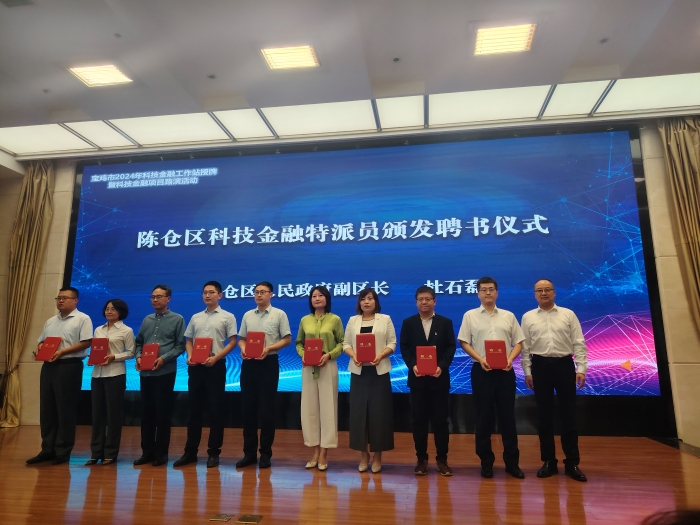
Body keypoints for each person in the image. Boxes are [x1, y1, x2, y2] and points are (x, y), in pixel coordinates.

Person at [521, 278, 588, 482]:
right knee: (544, 417)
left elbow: (579, 342)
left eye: (547, 289)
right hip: (540, 366)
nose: (544, 293)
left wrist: (581, 368)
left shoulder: (568, 314)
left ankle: (572, 462)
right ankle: (548, 461)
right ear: (535, 294)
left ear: (554, 292)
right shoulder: (528, 317)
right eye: (539, 290)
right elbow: (525, 348)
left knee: (568, 415)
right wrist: (527, 371)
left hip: (564, 365)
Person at [457, 276, 525, 479]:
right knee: (483, 417)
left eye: (491, 289)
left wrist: (510, 359)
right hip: (481, 372)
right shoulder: (470, 316)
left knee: (508, 418)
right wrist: (480, 359)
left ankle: (512, 463)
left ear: (497, 292)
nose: (488, 292)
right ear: (478, 293)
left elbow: (519, 342)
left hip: (505, 372)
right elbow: (464, 342)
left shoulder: (508, 316)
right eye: (484, 289)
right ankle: (486, 462)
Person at [174, 281, 238, 469]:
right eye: (205, 292)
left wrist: (216, 358)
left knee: (216, 410)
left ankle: (213, 452)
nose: (207, 295)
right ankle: (190, 452)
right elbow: (189, 341)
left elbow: (232, 342)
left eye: (211, 292)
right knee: (194, 410)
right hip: (196, 367)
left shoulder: (228, 317)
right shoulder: (196, 317)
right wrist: (190, 355)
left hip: (215, 366)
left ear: (220, 295)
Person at [27, 287, 93, 465]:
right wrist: (39, 347)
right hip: (49, 366)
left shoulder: (83, 318)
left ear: (75, 300)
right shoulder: (51, 321)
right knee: (47, 409)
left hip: (69, 366)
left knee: (65, 409)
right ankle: (47, 449)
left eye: (65, 298)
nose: (60, 301)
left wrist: (63, 352)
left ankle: (62, 451)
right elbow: (42, 341)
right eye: (58, 298)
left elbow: (86, 342)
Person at [399, 285, 456, 477]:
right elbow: (404, 347)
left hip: (439, 380)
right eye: (420, 299)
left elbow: (450, 347)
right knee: (419, 421)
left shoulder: (445, 322)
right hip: (418, 380)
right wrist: (412, 365)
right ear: (416, 302)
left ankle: (442, 460)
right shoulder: (408, 323)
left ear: (434, 301)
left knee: (441, 422)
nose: (424, 302)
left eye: (428, 299)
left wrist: (442, 366)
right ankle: (421, 460)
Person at [236, 281, 291, 469]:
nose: (259, 295)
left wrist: (268, 348)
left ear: (271, 294)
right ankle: (249, 453)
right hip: (249, 364)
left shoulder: (279, 314)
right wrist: (243, 349)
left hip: (269, 363)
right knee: (248, 409)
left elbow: (287, 339)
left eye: (263, 292)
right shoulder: (247, 315)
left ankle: (266, 454)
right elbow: (241, 339)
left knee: (267, 410)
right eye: (256, 292)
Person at [343, 288, 397, 473]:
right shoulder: (353, 320)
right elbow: (346, 344)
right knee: (359, 415)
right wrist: (354, 355)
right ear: (359, 302)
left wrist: (381, 355)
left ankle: (378, 456)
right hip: (359, 373)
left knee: (379, 414)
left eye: (370, 298)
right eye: (363, 299)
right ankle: (363, 455)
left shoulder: (385, 319)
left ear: (376, 302)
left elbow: (392, 343)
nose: (366, 302)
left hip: (379, 373)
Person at [133, 284, 185, 467]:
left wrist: (163, 358)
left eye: (159, 296)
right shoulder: (147, 319)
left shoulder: (177, 319)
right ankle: (146, 452)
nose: (155, 300)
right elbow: (139, 343)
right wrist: (138, 357)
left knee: (163, 414)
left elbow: (180, 346)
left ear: (168, 298)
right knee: (146, 414)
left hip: (165, 372)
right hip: (146, 372)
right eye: (153, 297)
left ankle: (161, 454)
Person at [295, 285, 344, 471]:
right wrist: (303, 355)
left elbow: (342, 343)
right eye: (314, 296)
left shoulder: (335, 319)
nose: (317, 298)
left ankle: (324, 452)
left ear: (327, 299)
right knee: (310, 409)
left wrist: (329, 355)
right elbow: (299, 342)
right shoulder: (305, 320)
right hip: (308, 367)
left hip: (327, 366)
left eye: (320, 295)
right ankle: (315, 451)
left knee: (328, 410)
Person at [86, 298, 134, 465]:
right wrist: (92, 358)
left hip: (115, 374)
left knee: (113, 415)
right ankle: (95, 452)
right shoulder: (98, 329)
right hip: (97, 375)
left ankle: (110, 453)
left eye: (113, 309)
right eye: (107, 308)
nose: (109, 311)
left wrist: (114, 356)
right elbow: (96, 349)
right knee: (97, 414)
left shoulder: (126, 330)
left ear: (121, 312)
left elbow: (131, 352)